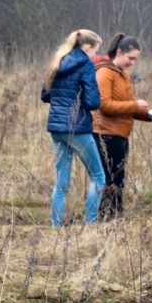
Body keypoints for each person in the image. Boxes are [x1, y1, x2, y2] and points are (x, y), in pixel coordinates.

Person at [41, 29, 106, 228]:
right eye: (95, 50)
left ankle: (55, 226)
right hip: (78, 128)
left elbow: (45, 95)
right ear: (87, 47)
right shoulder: (86, 64)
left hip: (56, 128)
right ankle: (90, 223)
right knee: (98, 177)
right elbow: (93, 101)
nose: (95, 55)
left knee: (62, 182)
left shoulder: (58, 60)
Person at [92, 33, 152, 221]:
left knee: (119, 179)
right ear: (119, 52)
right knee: (111, 179)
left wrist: (146, 114)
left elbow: (128, 106)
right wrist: (135, 105)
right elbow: (104, 105)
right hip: (106, 134)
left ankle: (115, 218)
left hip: (120, 135)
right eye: (130, 58)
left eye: (135, 59)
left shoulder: (124, 75)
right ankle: (106, 219)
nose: (132, 63)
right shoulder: (105, 72)